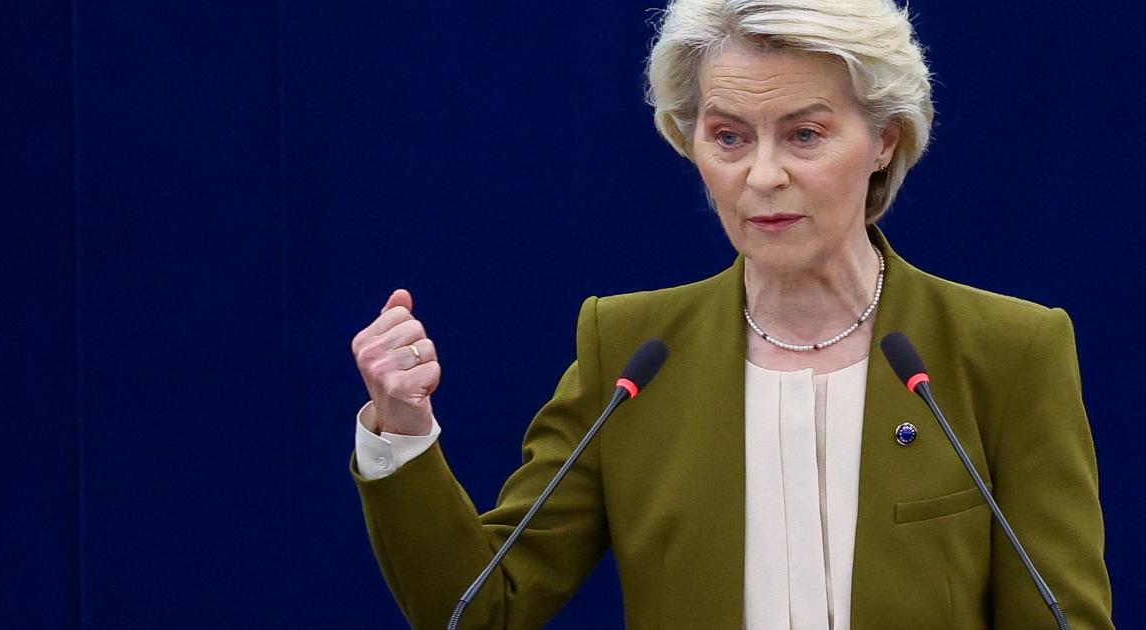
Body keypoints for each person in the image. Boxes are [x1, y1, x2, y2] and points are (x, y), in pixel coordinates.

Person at [349, 0, 1113, 627]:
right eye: (729, 137)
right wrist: (402, 430)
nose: (763, 174)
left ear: (885, 139)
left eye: (804, 134)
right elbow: (480, 610)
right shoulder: (630, 352)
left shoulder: (1008, 352)